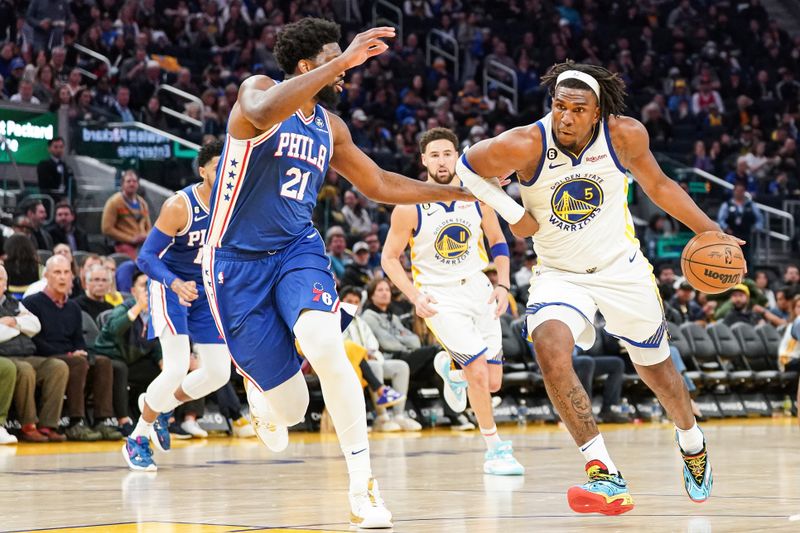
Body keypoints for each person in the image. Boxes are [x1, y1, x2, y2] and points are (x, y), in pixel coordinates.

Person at [200, 19, 472, 529]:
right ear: (309, 66)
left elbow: (378, 183)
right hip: (233, 263)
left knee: (326, 346)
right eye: (334, 59)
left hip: (296, 251)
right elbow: (259, 111)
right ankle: (262, 392)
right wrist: (343, 58)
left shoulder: (330, 127)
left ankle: (363, 486)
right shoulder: (257, 93)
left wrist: (453, 192)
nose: (348, 70)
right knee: (294, 411)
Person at [454, 61, 746, 514]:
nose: (565, 117)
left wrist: (711, 231)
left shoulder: (624, 135)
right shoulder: (526, 142)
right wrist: (512, 212)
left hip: (621, 269)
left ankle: (692, 441)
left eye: (577, 109)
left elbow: (659, 185)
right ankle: (602, 471)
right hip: (558, 273)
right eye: (558, 106)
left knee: (658, 372)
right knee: (549, 349)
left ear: (597, 113)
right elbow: (465, 166)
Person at [382, 127, 526, 475]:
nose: (442, 160)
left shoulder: (478, 196)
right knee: (478, 372)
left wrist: (503, 285)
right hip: (439, 294)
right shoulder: (409, 205)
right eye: (434, 155)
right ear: (423, 161)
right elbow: (389, 258)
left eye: (448, 153)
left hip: (479, 288)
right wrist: (415, 296)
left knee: (492, 383)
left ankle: (451, 369)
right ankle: (494, 449)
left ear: (457, 155)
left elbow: (498, 242)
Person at [127, 139, 233, 471]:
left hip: (204, 292)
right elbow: (145, 257)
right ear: (203, 172)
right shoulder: (179, 206)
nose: (226, 171)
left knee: (218, 372)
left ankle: (162, 407)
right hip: (170, 285)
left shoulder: (234, 204)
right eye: (218, 166)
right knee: (175, 368)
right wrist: (174, 283)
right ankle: (137, 436)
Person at [22, 255, 120, 441]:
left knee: (103, 362)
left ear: (72, 277)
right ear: (46, 276)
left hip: (70, 355)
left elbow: (78, 339)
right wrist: (69, 354)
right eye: (57, 272)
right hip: (44, 355)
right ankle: (76, 422)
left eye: (66, 272)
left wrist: (80, 351)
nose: (62, 277)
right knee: (77, 362)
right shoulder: (32, 303)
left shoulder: (73, 307)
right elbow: (34, 341)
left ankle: (102, 420)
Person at [0, 264, 69, 443]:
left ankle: (48, 425)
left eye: (1, 280)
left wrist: (13, 321)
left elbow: (35, 325)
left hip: (27, 354)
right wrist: (20, 327)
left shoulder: (14, 304)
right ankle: (27, 425)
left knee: (58, 366)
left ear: (6, 284)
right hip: (5, 356)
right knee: (25, 370)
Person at [340, 286, 419, 432]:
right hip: (351, 363)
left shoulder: (362, 322)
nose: (353, 304)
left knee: (401, 366)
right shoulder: (337, 320)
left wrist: (373, 355)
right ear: (340, 301)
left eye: (356, 302)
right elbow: (342, 345)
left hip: (371, 359)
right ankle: (382, 417)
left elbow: (373, 344)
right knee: (374, 367)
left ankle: (399, 416)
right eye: (349, 301)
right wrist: (365, 354)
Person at [101, 169, 152, 259]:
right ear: (122, 184)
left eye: (134, 181)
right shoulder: (114, 202)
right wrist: (131, 239)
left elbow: (148, 227)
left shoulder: (143, 203)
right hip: (123, 245)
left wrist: (146, 236)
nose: (132, 184)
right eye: (128, 181)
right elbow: (106, 228)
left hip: (143, 244)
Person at [37, 137, 75, 202]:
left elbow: (72, 185)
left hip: (65, 200)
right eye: (56, 147)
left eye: (61, 147)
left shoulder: (66, 167)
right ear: (49, 148)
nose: (59, 150)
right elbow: (46, 184)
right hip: (50, 200)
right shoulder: (43, 165)